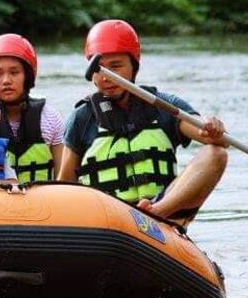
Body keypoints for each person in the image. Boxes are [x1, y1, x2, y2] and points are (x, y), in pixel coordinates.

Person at [58, 19, 227, 226]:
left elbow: (210, 137)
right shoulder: (82, 117)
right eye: (99, 68)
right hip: (108, 222)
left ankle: (155, 213)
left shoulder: (164, 106)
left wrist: (212, 129)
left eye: (115, 67)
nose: (105, 77)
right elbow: (64, 186)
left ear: (133, 67)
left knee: (216, 153)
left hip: (164, 216)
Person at [0, 33, 65, 184]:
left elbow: (64, 178)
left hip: (43, 203)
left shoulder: (50, 118)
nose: (6, 80)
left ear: (27, 76)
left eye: (14, 72)